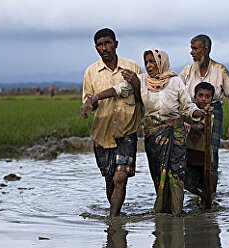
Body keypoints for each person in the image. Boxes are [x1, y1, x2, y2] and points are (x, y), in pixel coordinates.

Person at [82, 48, 207, 216]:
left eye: (152, 61)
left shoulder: (175, 82)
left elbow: (187, 107)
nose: (148, 65)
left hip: (175, 135)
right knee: (158, 174)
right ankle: (163, 212)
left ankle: (177, 213)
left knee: (176, 174)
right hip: (154, 135)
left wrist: (198, 113)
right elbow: (117, 90)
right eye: (146, 62)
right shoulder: (141, 81)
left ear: (161, 62)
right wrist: (95, 98)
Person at [81, 28, 142, 217]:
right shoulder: (91, 72)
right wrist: (88, 105)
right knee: (109, 179)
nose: (104, 47)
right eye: (100, 44)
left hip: (127, 131)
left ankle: (114, 219)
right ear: (96, 48)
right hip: (102, 133)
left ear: (116, 44)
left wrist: (137, 85)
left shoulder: (132, 68)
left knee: (120, 177)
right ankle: (116, 213)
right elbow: (88, 99)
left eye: (108, 43)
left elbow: (143, 99)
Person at [180, 34, 229, 192]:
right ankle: (194, 186)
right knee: (189, 150)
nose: (192, 52)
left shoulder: (219, 70)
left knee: (211, 151)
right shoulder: (188, 70)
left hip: (213, 112)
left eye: (195, 48)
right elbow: (177, 92)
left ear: (206, 50)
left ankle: (209, 193)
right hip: (191, 110)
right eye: (191, 48)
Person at [185, 82, 215, 197]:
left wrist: (189, 126)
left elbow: (201, 127)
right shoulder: (189, 110)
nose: (203, 99)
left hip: (203, 155)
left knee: (203, 184)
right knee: (187, 183)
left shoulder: (209, 114)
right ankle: (202, 198)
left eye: (207, 96)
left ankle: (204, 200)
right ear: (195, 96)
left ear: (211, 99)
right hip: (189, 154)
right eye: (200, 95)